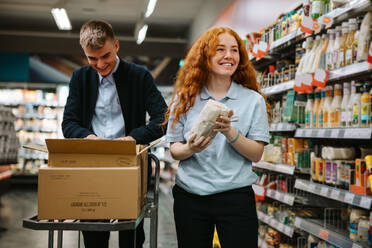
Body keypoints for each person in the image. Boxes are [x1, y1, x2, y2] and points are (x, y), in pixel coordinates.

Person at [62, 19, 167, 248]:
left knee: (131, 235)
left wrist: (132, 138)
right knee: (93, 235)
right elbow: (68, 124)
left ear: (117, 46)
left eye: (105, 56)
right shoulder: (80, 78)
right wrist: (90, 139)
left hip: (131, 165)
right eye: (92, 58)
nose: (100, 64)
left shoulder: (140, 76)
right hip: (92, 166)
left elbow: (163, 119)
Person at [164, 26, 270, 248]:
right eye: (220, 49)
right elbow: (174, 149)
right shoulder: (184, 99)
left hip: (235, 197)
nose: (228, 56)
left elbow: (257, 153)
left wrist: (230, 132)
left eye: (234, 50)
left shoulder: (253, 100)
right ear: (205, 56)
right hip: (190, 196)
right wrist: (190, 148)